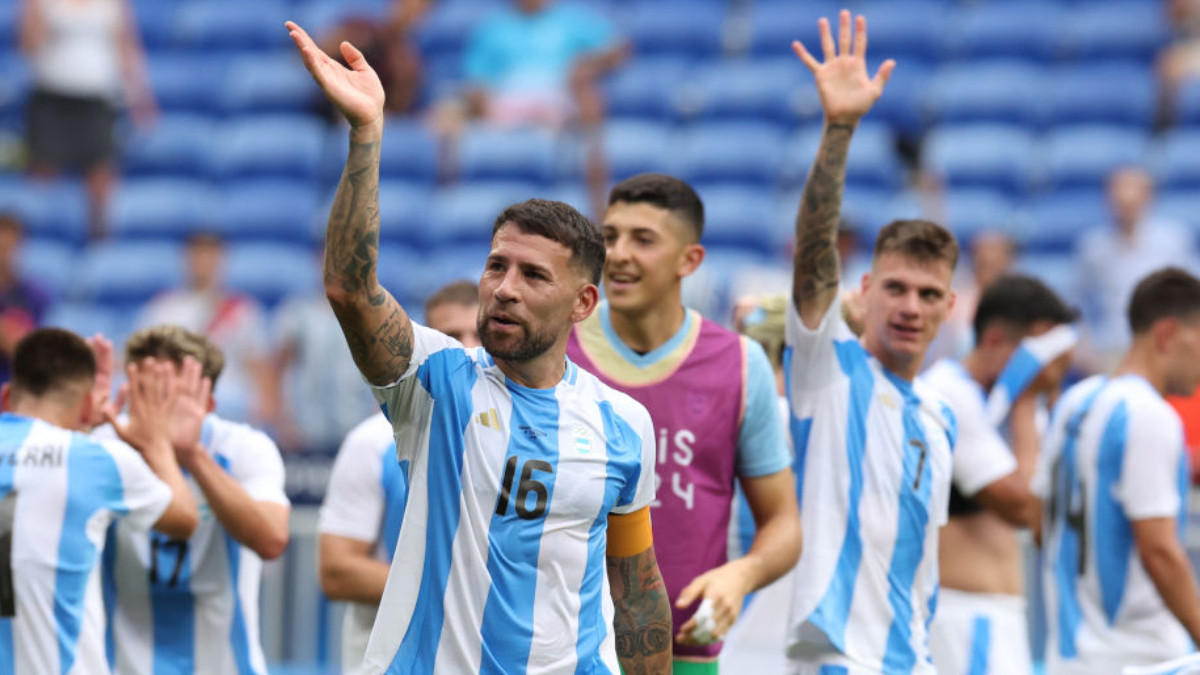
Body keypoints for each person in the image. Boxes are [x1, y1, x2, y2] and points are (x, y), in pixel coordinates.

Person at [287, 19, 672, 674]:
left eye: (532, 275)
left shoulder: (624, 426)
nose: (503, 289)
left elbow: (636, 590)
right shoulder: (437, 382)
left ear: (584, 303)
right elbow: (350, 290)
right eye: (496, 266)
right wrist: (366, 137)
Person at [565, 174, 801, 673]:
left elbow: (783, 523)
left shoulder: (739, 363)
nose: (619, 254)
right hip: (562, 649)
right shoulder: (557, 344)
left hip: (684, 653)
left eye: (643, 239)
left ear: (689, 260)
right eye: (610, 237)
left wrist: (741, 575)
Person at [784, 12, 959, 674]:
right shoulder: (828, 370)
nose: (910, 306)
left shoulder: (940, 418)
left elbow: (915, 562)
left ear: (950, 305)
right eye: (896, 287)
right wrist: (840, 129)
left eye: (928, 293)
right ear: (866, 288)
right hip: (834, 658)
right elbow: (811, 255)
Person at [0, 328, 198, 674]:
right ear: (89, 405)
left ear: (6, 397)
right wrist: (158, 444)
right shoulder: (101, 460)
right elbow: (184, 519)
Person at [1035, 267, 1200, 675]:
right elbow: (1159, 551)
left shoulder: (1073, 401)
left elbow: (1041, 525)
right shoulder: (1150, 416)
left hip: (1071, 655)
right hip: (1140, 657)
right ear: (1167, 334)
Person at [99, 325, 290, 675]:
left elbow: (271, 539)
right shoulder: (103, 446)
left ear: (209, 403)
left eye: (168, 394)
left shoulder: (244, 448)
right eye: (144, 392)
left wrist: (193, 456)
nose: (154, 410)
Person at [317, 280, 481, 673]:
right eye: (452, 337)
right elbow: (338, 571)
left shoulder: (509, 436)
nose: (469, 348)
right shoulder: (371, 442)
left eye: (479, 334)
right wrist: (457, 588)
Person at [922, 275, 1078, 675]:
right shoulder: (948, 392)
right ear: (995, 341)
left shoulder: (1003, 409)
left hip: (996, 618)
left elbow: (1046, 519)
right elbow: (1022, 505)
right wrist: (1027, 397)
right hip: (966, 615)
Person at [18, 0, 156, 238]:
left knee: (101, 172)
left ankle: (99, 238)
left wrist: (141, 98)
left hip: (96, 98)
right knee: (43, 170)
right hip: (52, 96)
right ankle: (36, 235)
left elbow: (126, 46)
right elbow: (28, 46)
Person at [137, 232, 272, 425]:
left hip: (228, 410)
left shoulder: (242, 311)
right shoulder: (162, 309)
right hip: (176, 407)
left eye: (210, 255)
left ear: (221, 260)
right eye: (197, 255)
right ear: (186, 259)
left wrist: (266, 410)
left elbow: (258, 367)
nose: (203, 263)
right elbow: (145, 361)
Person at [1075, 167, 1198, 374]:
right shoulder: (1094, 247)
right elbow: (1076, 301)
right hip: (1114, 349)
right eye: (1119, 200)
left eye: (1133, 199)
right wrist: (1084, 348)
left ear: (1148, 198)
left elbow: (1193, 292)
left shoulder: (1173, 240)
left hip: (1164, 346)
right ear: (1108, 199)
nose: (1126, 206)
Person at [268, 253, 380, 454]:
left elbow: (385, 374)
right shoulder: (297, 312)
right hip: (306, 435)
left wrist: (375, 422)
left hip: (355, 433)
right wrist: (283, 424)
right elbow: (278, 369)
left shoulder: (371, 314)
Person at [0, 213, 50, 387]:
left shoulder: (34, 295)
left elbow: (29, 352)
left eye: (8, 247)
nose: (3, 255)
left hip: (18, 388)